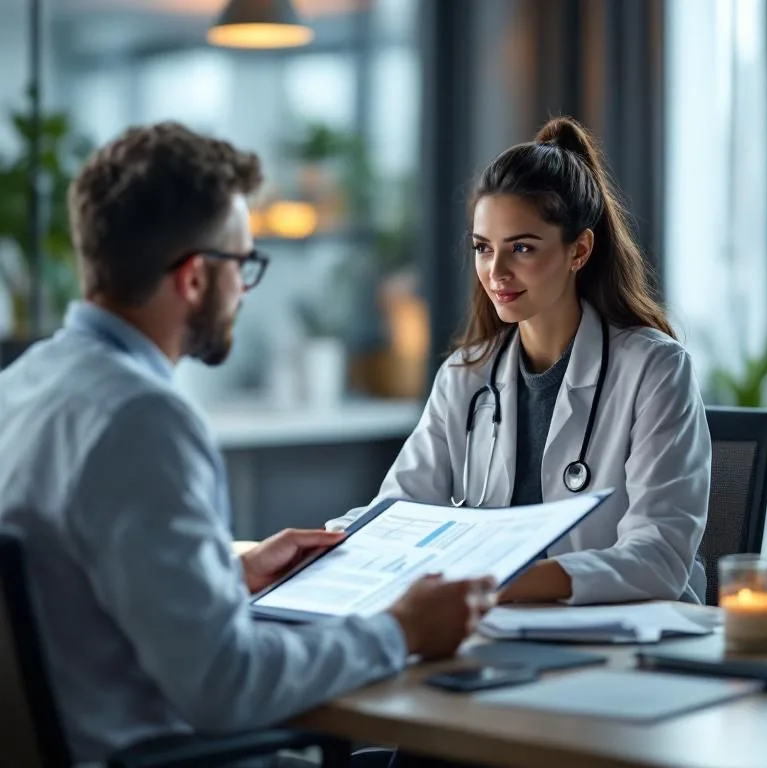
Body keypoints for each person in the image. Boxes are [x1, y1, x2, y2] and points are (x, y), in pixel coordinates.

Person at [0, 122, 493, 764]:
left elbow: (68, 601)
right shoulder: (144, 421)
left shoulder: (22, 385)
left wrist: (227, 578)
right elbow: (224, 686)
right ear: (195, 278)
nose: (244, 289)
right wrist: (401, 630)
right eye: (242, 264)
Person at [327, 116, 711, 606]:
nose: (496, 271)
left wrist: (490, 584)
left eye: (522, 248)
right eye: (483, 248)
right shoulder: (465, 376)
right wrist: (321, 547)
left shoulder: (655, 369)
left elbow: (659, 559)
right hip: (499, 624)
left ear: (579, 250)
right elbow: (397, 511)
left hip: (626, 632)